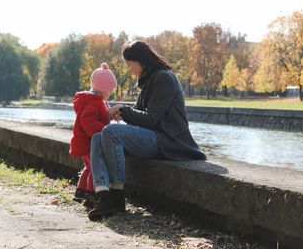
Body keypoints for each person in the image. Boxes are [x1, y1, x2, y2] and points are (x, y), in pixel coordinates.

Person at [88, 40, 206, 221]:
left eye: (129, 65)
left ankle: (117, 196)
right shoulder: (150, 79)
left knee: (110, 132)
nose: (129, 70)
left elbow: (151, 119)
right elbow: (137, 114)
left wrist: (122, 111)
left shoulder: (164, 78)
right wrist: (123, 112)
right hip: (154, 137)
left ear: (140, 61)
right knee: (97, 137)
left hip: (168, 140)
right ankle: (103, 196)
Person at [70, 62, 117, 207]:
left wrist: (110, 116)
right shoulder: (93, 103)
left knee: (88, 167)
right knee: (94, 167)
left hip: (83, 142)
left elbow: (101, 115)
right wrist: (104, 131)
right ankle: (91, 194)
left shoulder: (95, 101)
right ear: (104, 91)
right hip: (88, 142)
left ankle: (80, 190)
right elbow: (88, 121)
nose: (110, 94)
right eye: (110, 91)